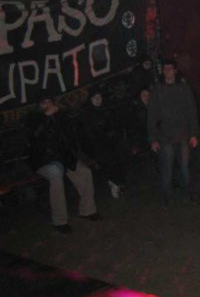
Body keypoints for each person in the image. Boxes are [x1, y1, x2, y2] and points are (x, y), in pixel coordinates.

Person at [26, 96, 99, 233]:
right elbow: (35, 136)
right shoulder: (33, 118)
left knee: (84, 172)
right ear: (39, 105)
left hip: (63, 158)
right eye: (44, 103)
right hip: (44, 160)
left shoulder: (60, 116)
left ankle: (88, 210)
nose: (48, 105)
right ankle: (60, 221)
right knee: (56, 175)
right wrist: (46, 117)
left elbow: (70, 134)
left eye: (50, 102)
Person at [147, 59, 199, 205]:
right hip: (165, 136)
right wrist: (153, 139)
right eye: (165, 69)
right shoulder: (157, 90)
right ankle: (167, 197)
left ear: (175, 70)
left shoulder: (184, 88)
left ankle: (187, 193)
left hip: (182, 134)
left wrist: (194, 134)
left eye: (170, 68)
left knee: (185, 167)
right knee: (167, 169)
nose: (168, 71)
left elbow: (192, 111)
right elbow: (152, 116)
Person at [79, 86, 128, 199]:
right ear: (91, 99)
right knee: (108, 161)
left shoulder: (107, 110)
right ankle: (114, 183)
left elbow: (116, 125)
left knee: (118, 159)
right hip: (97, 147)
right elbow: (87, 135)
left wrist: (114, 135)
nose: (98, 100)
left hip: (111, 143)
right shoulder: (87, 114)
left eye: (99, 97)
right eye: (95, 97)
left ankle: (119, 184)